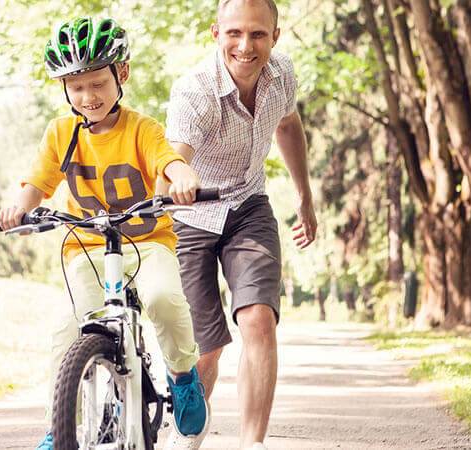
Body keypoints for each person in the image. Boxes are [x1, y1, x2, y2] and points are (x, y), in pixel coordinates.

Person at [0, 17, 208, 450]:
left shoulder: (141, 128)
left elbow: (168, 161)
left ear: (121, 75)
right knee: (69, 330)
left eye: (97, 84)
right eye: (76, 88)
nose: (88, 97)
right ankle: (62, 426)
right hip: (87, 248)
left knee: (163, 299)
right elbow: (37, 183)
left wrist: (184, 178)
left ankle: (184, 376)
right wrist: (19, 207)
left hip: (146, 242)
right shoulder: (61, 133)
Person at [162, 1, 317, 449]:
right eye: (234, 33)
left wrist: (304, 197)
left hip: (248, 206)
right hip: (192, 218)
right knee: (204, 349)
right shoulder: (196, 90)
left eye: (258, 35)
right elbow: (175, 156)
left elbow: (288, 126)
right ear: (216, 33)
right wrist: (180, 176)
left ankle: (253, 444)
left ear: (275, 36)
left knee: (258, 320)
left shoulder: (281, 74)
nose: (245, 46)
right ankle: (186, 438)